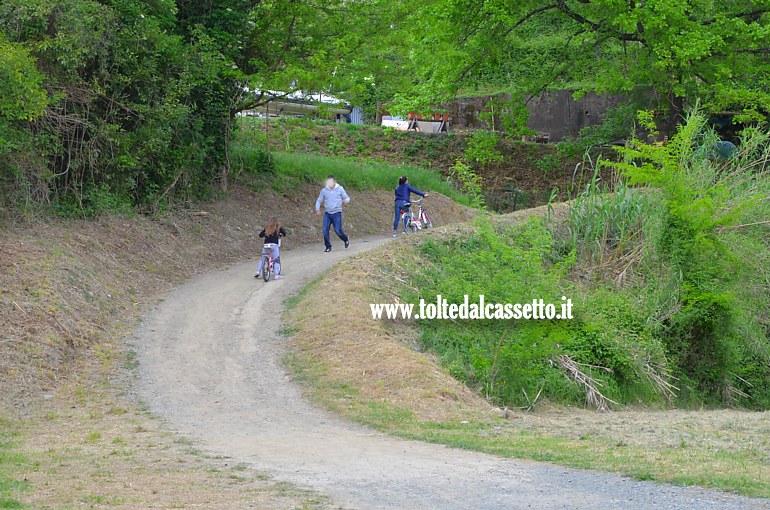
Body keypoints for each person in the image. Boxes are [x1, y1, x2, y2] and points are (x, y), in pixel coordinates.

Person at [315, 175, 350, 252]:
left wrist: (345, 201)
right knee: (324, 230)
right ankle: (328, 246)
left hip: (337, 212)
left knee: (338, 230)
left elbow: (347, 198)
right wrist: (317, 209)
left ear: (335, 182)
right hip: (328, 213)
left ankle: (345, 239)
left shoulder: (340, 189)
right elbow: (319, 200)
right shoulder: (324, 190)